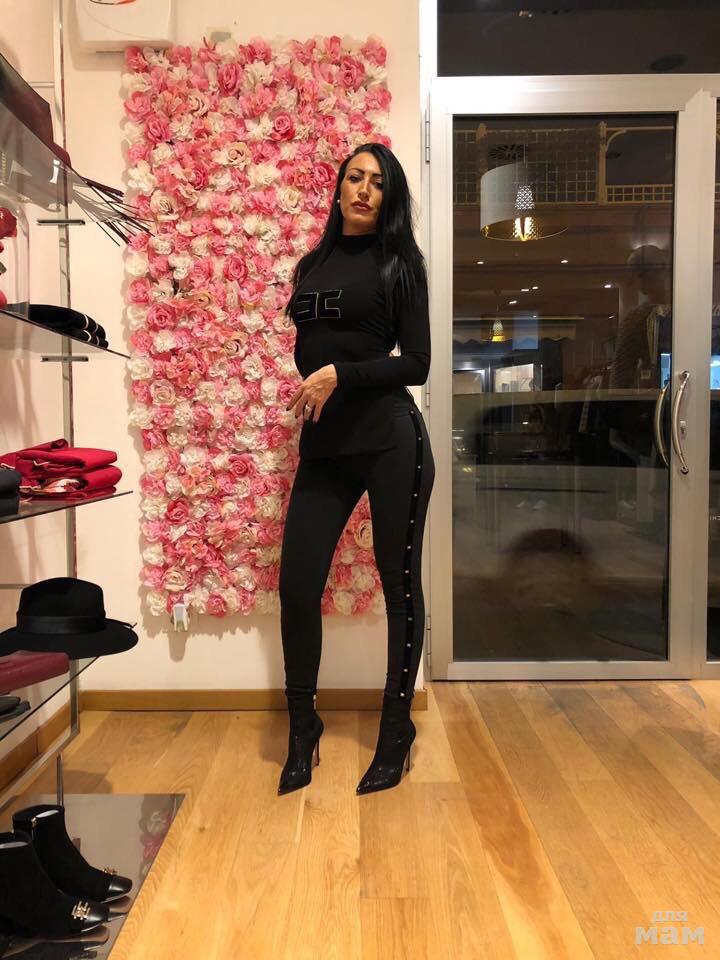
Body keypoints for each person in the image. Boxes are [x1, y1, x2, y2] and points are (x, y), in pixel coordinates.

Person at [277, 142, 435, 797]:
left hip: (391, 439)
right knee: (296, 587)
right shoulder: (312, 266)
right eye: (354, 177)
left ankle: (396, 730)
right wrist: (320, 376)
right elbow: (309, 350)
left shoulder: (401, 264)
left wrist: (341, 374)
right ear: (339, 188)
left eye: (377, 182)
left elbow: (417, 363)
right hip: (326, 445)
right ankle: (302, 729)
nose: (364, 189)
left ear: (387, 197)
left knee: (399, 586)